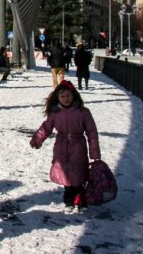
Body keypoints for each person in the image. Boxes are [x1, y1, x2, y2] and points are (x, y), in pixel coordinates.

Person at [29, 80, 100, 213]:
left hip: (78, 145)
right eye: (62, 97)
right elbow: (46, 128)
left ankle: (81, 201)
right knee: (65, 175)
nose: (65, 99)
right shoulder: (55, 113)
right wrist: (37, 139)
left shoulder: (83, 112)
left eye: (68, 96)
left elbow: (92, 132)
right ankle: (69, 200)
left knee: (79, 175)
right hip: (61, 146)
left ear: (73, 96)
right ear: (58, 98)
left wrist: (94, 153)